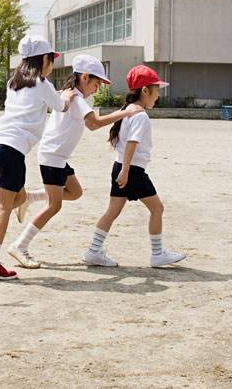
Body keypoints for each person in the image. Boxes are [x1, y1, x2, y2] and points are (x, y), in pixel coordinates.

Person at [7, 55, 144, 268]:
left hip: (57, 156)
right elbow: (95, 123)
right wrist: (125, 112)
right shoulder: (77, 99)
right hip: (52, 155)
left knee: (75, 192)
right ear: (85, 77)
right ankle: (20, 245)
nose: (97, 89)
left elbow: (90, 125)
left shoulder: (74, 96)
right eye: (97, 84)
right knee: (54, 205)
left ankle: (30, 197)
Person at [0, 35, 75, 280]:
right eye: (51, 59)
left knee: (19, 198)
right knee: (5, 205)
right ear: (44, 59)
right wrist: (67, 97)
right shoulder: (42, 83)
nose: (52, 63)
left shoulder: (14, 82)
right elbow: (61, 106)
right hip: (12, 150)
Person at [84, 65, 186, 268]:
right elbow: (132, 142)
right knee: (157, 208)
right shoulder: (139, 115)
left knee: (112, 211)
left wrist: (122, 169)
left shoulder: (126, 111)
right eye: (156, 90)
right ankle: (158, 254)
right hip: (132, 170)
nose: (158, 95)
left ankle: (93, 250)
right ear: (145, 91)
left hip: (121, 167)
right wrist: (127, 170)